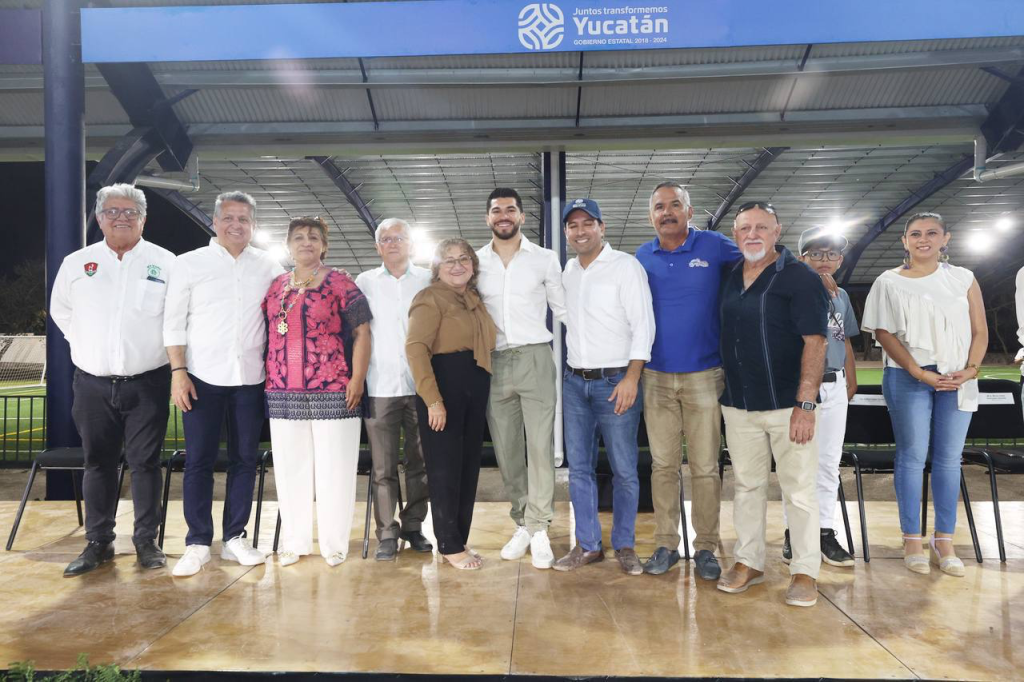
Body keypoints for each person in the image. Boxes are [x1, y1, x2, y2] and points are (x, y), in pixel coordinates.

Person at [50, 183, 175, 577]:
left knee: (145, 464)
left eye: (130, 212)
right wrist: (87, 344)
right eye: (113, 211)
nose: (122, 218)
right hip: (92, 384)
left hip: (148, 382)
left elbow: (176, 318)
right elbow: (61, 311)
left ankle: (146, 541)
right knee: (98, 464)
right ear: (100, 218)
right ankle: (98, 542)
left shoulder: (166, 262)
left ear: (143, 219)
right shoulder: (77, 263)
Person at [164, 191, 285, 577]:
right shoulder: (188, 264)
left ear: (253, 225)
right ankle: (198, 542)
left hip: (250, 379)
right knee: (198, 461)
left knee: (245, 461)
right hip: (201, 377)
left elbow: (289, 302)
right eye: (229, 218)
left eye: (244, 219)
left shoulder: (268, 265)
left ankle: (235, 538)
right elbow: (173, 322)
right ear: (215, 222)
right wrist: (178, 372)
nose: (236, 225)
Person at [860, 212, 987, 577]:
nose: (923, 239)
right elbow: (883, 333)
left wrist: (971, 370)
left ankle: (944, 540)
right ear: (905, 241)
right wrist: (918, 372)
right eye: (915, 234)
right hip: (907, 376)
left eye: (932, 233)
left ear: (946, 238)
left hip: (957, 377)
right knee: (912, 456)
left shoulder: (963, 278)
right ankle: (911, 539)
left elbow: (979, 331)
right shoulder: (888, 281)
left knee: (949, 459)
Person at [715, 201, 829, 608]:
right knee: (747, 486)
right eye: (745, 228)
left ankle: (805, 570)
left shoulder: (800, 277)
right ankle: (749, 562)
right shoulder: (729, 275)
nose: (753, 234)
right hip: (739, 403)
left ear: (777, 232)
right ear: (735, 234)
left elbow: (816, 342)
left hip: (788, 405)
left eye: (761, 227)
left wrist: (806, 404)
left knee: (798, 490)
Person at [634, 182, 740, 580]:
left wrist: (812, 274)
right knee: (663, 466)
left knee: (705, 467)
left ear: (690, 212)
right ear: (651, 216)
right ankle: (666, 544)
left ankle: (706, 547)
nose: (667, 212)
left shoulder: (714, 245)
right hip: (656, 376)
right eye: (659, 207)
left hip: (705, 375)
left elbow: (759, 262)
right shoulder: (642, 256)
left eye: (675, 205)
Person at [554, 198, 655, 575]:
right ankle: (588, 545)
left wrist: (632, 377)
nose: (580, 231)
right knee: (579, 469)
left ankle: (625, 545)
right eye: (573, 225)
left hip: (616, 382)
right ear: (567, 232)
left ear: (602, 227)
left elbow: (644, 325)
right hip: (575, 382)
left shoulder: (625, 267)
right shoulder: (569, 270)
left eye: (587, 223)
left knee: (624, 469)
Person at [263, 217, 372, 567]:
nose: (306, 242)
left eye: (313, 237)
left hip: (335, 389)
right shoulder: (276, 286)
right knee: (289, 469)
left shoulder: (341, 283)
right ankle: (294, 542)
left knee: (335, 469)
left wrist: (358, 379)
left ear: (324, 245)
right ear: (288, 245)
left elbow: (363, 333)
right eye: (298, 237)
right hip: (283, 391)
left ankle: (334, 544)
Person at [476, 188, 565, 570]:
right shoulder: (476, 262)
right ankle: (523, 522)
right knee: (507, 449)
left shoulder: (544, 259)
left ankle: (540, 526)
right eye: (496, 210)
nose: (504, 215)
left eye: (510, 209)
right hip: (494, 361)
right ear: (488, 218)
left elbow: (563, 309)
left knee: (540, 447)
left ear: (522, 216)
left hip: (534, 357)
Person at [406, 238, 497, 570]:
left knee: (467, 466)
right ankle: (448, 543)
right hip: (444, 384)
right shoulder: (429, 297)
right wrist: (433, 401)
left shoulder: (473, 299)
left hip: (474, 383)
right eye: (449, 260)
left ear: (473, 265)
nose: (457, 265)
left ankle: (458, 537)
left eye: (464, 259)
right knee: (444, 468)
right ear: (437, 268)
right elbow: (416, 349)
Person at [779, 227, 860, 569]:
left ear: (840, 260)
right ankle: (794, 532)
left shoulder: (841, 295)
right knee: (798, 465)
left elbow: (845, 338)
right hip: (802, 387)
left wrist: (849, 378)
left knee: (828, 463)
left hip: (834, 384)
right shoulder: (788, 290)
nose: (824, 260)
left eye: (831, 254)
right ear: (802, 259)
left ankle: (825, 530)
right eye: (816, 254)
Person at [355, 218, 433, 561]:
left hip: (421, 385)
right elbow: (358, 333)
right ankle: (387, 532)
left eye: (399, 237)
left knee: (420, 462)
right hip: (380, 385)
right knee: (383, 467)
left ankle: (414, 526)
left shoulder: (429, 280)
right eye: (385, 239)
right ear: (377, 247)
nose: (392, 243)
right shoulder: (364, 282)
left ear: (411, 244)